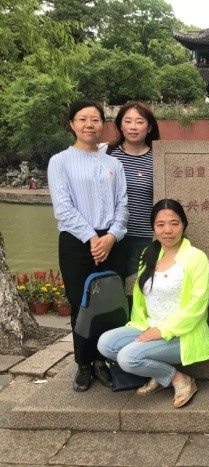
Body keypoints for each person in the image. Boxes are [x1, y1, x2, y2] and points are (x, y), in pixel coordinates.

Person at [98, 199, 209, 408]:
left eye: (174, 223)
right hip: (149, 325)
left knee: (127, 358)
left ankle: (179, 379)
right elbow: (141, 300)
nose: (167, 230)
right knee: (105, 343)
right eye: (160, 224)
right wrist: (144, 327)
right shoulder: (149, 254)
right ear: (153, 227)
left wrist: (163, 330)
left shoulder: (196, 258)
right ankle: (160, 374)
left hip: (183, 333)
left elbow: (197, 306)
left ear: (183, 225)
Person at [47, 99, 129, 393]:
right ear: (72, 124)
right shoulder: (60, 162)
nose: (89, 125)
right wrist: (92, 237)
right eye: (82, 119)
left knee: (108, 303)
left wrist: (112, 236)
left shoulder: (113, 164)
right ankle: (83, 364)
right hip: (77, 241)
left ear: (102, 124)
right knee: (80, 303)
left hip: (111, 241)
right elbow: (63, 208)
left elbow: (123, 205)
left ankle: (102, 361)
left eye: (95, 119)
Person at [107, 101, 160, 308]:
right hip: (113, 238)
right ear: (120, 126)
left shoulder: (158, 157)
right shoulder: (107, 154)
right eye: (128, 121)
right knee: (114, 294)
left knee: (143, 294)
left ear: (149, 127)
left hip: (145, 238)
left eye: (139, 121)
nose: (133, 127)